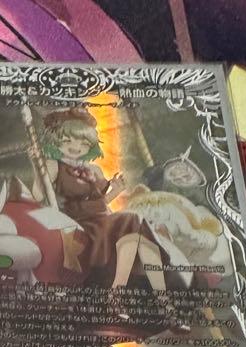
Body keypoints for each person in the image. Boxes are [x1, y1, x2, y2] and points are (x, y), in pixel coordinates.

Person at [41, 107, 172, 293]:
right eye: (68, 140)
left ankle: (159, 294)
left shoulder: (94, 170)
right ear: (56, 140)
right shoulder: (54, 166)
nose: (76, 147)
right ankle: (118, 293)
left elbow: (100, 203)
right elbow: (38, 197)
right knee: (132, 221)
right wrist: (37, 167)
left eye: (83, 142)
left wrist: (116, 189)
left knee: (137, 233)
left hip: (103, 220)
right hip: (81, 227)